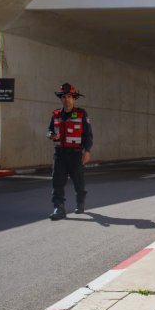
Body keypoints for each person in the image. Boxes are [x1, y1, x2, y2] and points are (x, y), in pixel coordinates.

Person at [47, 83, 93, 220]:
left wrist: (87, 151)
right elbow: (49, 129)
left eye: (69, 97)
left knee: (78, 181)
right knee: (57, 182)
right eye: (64, 97)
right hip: (59, 154)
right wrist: (50, 134)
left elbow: (88, 134)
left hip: (75, 153)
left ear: (74, 98)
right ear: (61, 99)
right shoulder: (55, 114)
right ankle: (59, 208)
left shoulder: (81, 114)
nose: (66, 99)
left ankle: (80, 201)